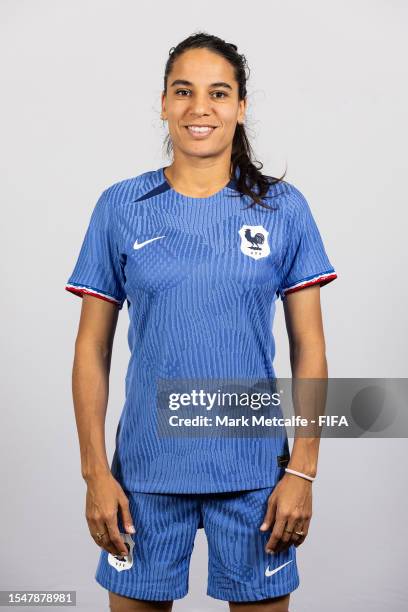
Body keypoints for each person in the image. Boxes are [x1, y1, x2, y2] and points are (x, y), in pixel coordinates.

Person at [65, 32, 337, 612]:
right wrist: (94, 473)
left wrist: (303, 471)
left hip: (256, 474)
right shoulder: (121, 206)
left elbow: (309, 349)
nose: (200, 108)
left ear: (241, 108)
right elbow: (91, 348)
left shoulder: (284, 209)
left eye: (219, 92)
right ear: (163, 103)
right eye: (183, 91)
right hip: (144, 474)